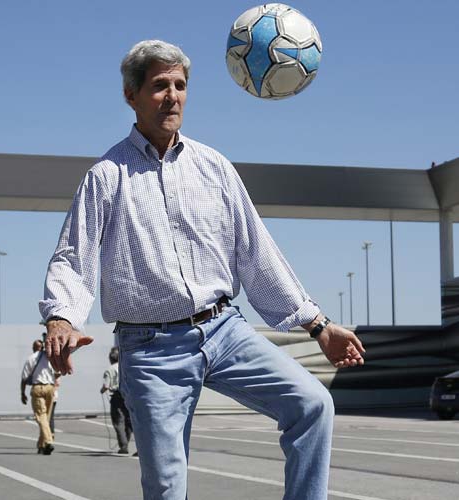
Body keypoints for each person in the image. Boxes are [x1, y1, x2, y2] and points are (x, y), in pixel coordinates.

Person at [41, 39, 365, 499]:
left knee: (312, 405)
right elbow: (75, 257)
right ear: (131, 96)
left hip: (224, 330)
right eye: (158, 85)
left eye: (180, 85)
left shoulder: (214, 167)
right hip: (152, 351)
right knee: (168, 487)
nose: (172, 95)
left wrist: (319, 326)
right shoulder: (107, 176)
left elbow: (257, 253)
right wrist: (62, 317)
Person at [21, 337, 59, 455]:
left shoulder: (31, 358)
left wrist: (22, 393)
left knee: (41, 417)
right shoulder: (49, 357)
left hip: (37, 388)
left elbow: (24, 378)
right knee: (46, 418)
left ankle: (48, 441)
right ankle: (41, 445)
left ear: (33, 348)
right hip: (50, 388)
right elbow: (57, 373)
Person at [100, 346, 134, 454]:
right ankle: (127, 441)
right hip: (128, 395)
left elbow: (106, 385)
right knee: (129, 421)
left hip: (116, 396)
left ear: (111, 358)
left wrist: (102, 390)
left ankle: (123, 445)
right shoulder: (126, 367)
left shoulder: (110, 370)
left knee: (118, 421)